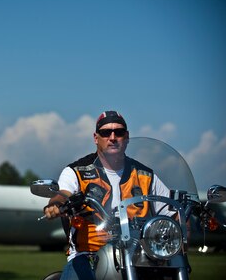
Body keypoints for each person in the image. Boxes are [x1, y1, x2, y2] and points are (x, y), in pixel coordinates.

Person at [43, 111, 172, 280]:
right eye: (106, 132)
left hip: (139, 259)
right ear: (96, 138)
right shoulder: (76, 172)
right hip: (89, 256)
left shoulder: (146, 176)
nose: (112, 137)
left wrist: (178, 244)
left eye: (118, 132)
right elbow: (63, 194)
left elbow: (173, 214)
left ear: (126, 137)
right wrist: (56, 204)